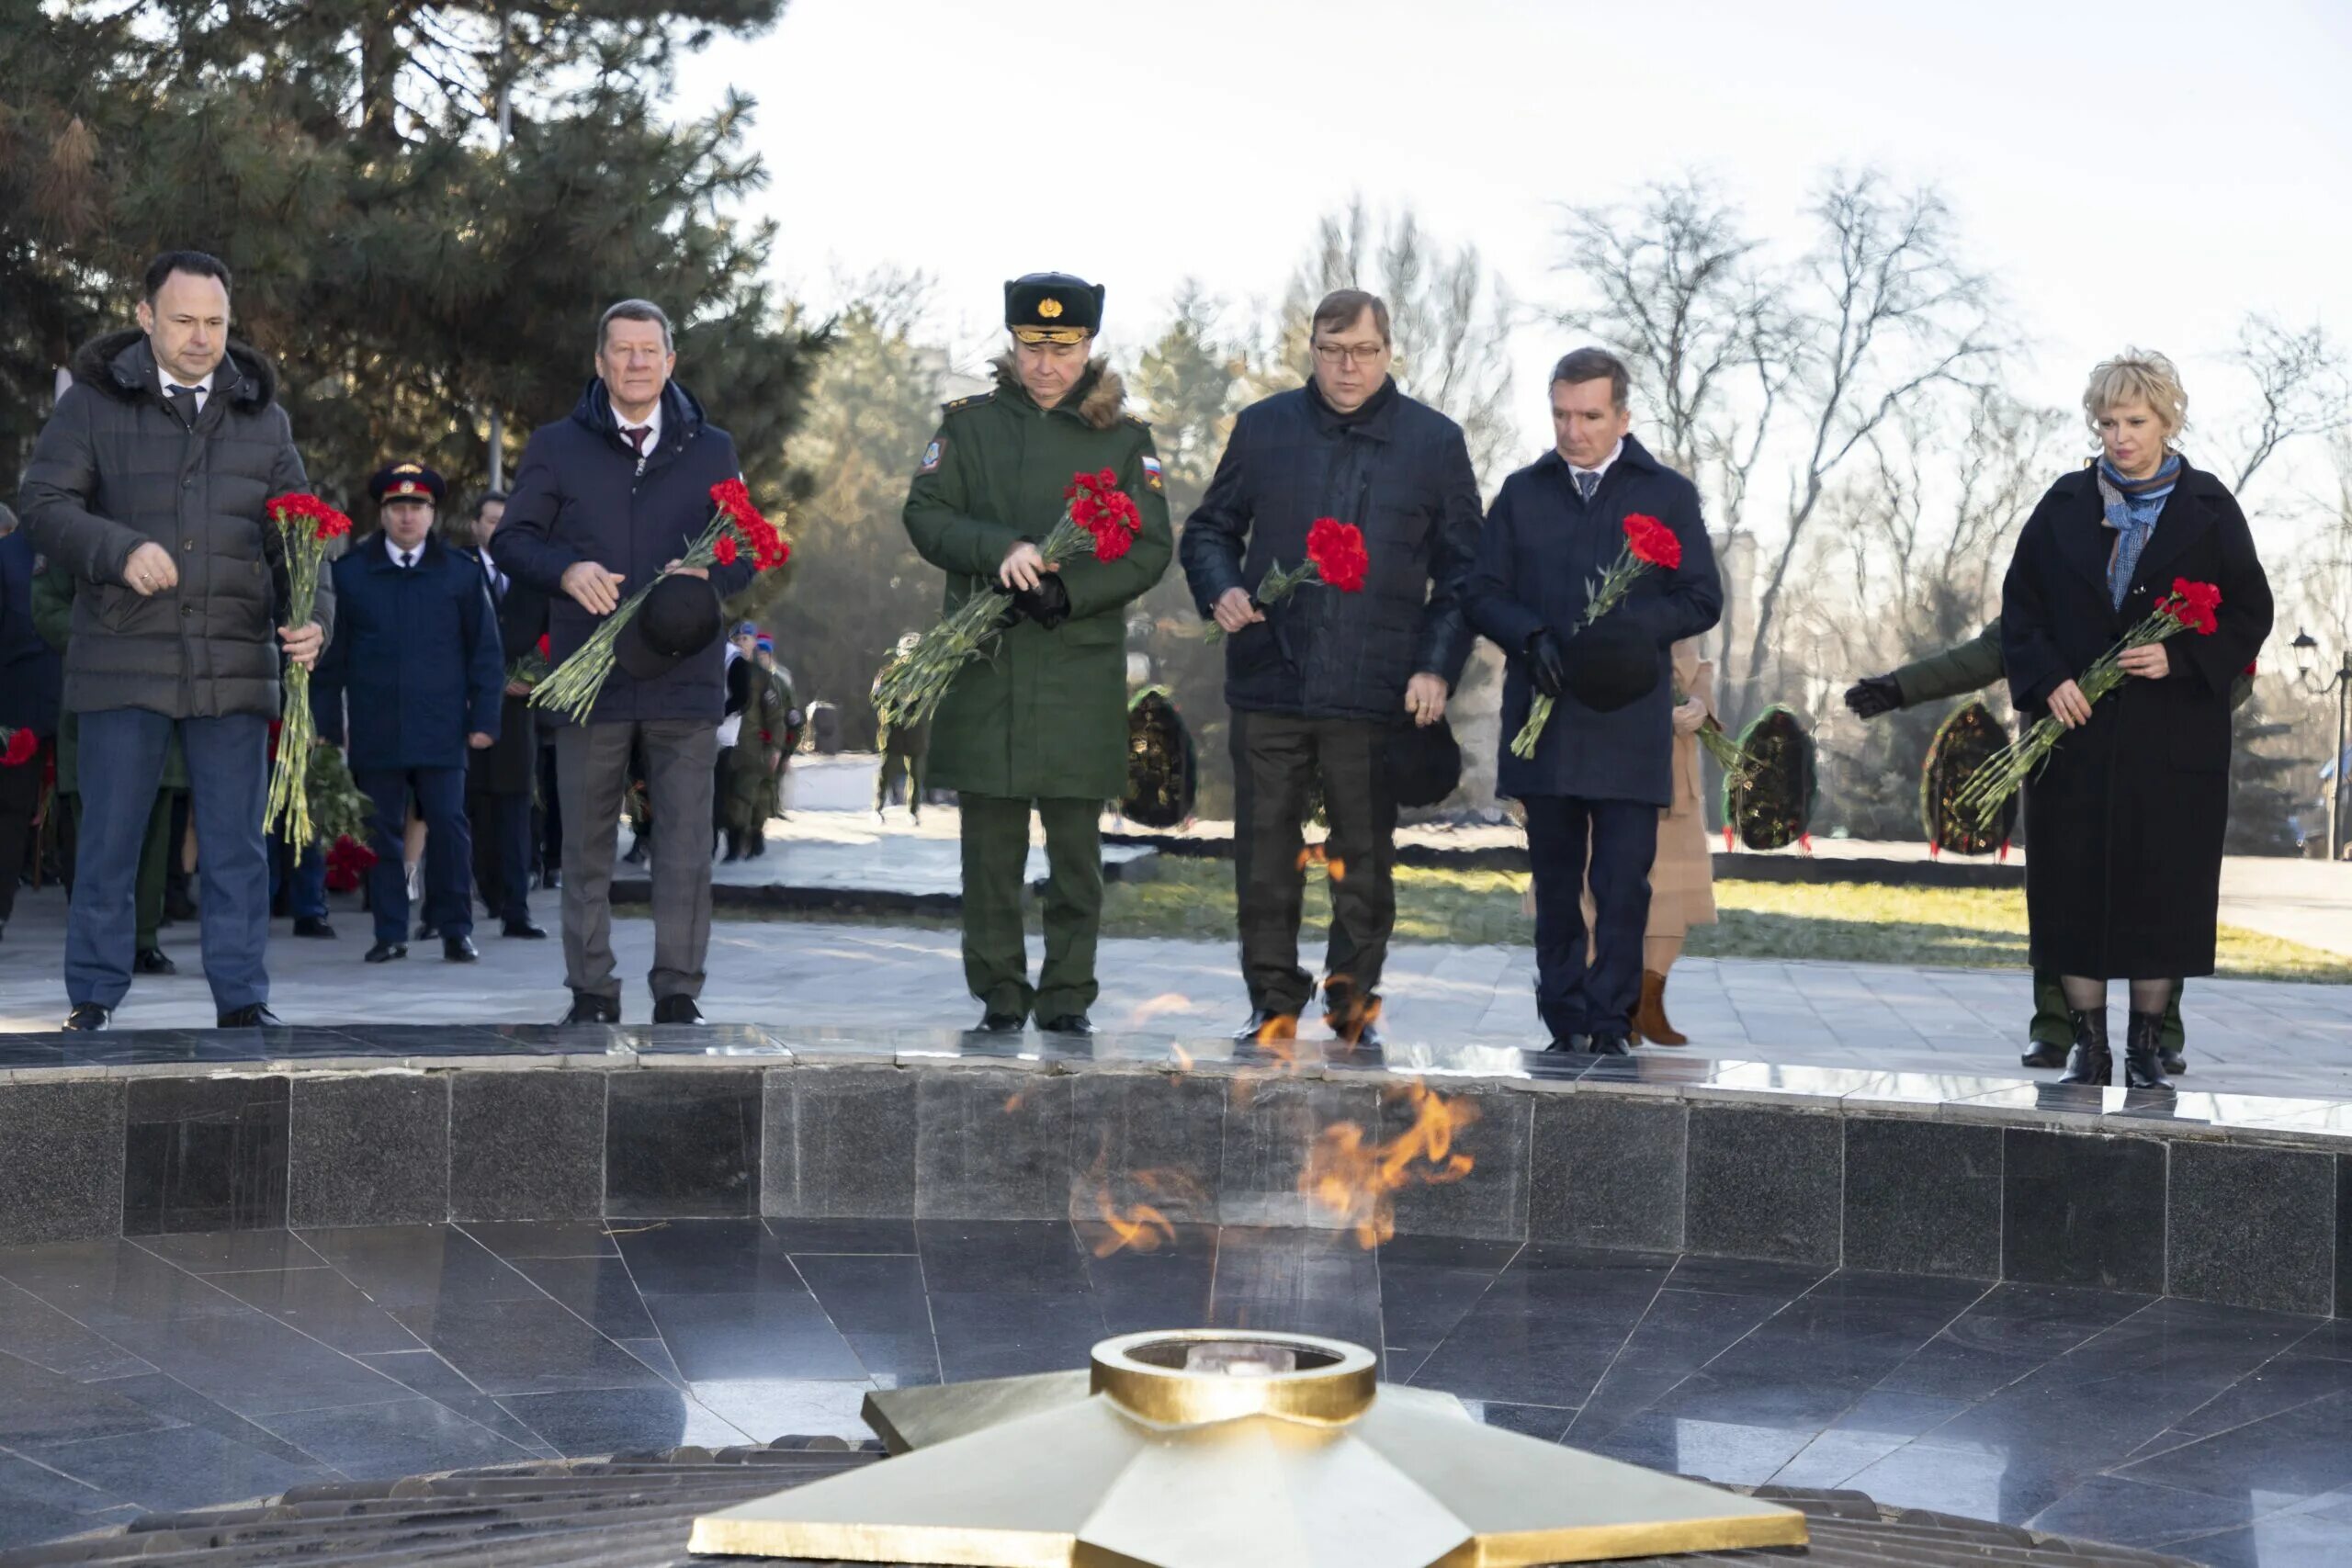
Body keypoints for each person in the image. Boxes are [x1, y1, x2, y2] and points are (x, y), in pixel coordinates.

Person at [18, 250, 329, 1031]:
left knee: (236, 851)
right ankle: (93, 995)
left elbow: (301, 532)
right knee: (111, 844)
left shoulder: (264, 417)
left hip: (232, 662)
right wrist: (116, 550)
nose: (201, 337)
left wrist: (314, 614)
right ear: (147, 316)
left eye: (216, 322)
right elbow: (44, 502)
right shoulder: (91, 407)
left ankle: (242, 999)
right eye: (184, 320)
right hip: (125, 659)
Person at [1179, 288, 1482, 1046]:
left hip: (1376, 689)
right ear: (1310, 347)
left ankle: (1352, 1010)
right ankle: (1272, 1005)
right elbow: (1210, 529)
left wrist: (1435, 666)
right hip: (1270, 676)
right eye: (1332, 349)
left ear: (1389, 352)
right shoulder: (1263, 428)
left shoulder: (1435, 442)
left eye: (1364, 351)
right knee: (1265, 858)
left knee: (1365, 863)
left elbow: (1466, 576)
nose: (1348, 366)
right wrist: (1221, 588)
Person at [901, 272, 1172, 1035]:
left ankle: (1065, 998)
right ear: (1013, 342)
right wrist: (1000, 551)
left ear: (1089, 346)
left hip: (1075, 667)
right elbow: (924, 513)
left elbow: (1152, 547)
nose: (1047, 364)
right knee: (989, 855)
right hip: (986, 664)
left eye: (1064, 348)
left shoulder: (1125, 439)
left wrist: (1072, 590)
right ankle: (998, 995)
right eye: (1032, 346)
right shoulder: (968, 425)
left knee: (1077, 858)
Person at [1999, 350, 2270, 1090]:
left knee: (2164, 889)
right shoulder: (2062, 505)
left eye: (2135, 421)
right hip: (2074, 739)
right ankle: (2090, 1044)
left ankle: (2148, 1044)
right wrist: (2049, 678)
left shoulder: (2211, 508)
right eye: (2109, 422)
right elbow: (2019, 612)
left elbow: (2251, 613)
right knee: (2072, 887)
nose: (2120, 436)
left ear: (2167, 419)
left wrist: (2179, 659)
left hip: (2173, 743)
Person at [493, 299, 754, 1025]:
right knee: (585, 843)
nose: (636, 363)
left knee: (684, 846)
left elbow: (746, 550)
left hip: (685, 672)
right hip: (590, 675)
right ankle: (591, 989)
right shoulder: (555, 445)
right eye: (622, 350)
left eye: (650, 351)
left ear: (671, 361)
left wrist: (710, 576)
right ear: (600, 361)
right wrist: (567, 569)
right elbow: (513, 540)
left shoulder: (712, 448)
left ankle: (678, 990)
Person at [1843, 618, 2252, 1077]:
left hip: (2154, 755)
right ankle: (2058, 1027)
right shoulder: (2048, 572)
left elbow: (2236, 662)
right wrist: (1901, 686)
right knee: (2066, 893)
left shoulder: (2171, 569)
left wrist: (2187, 700)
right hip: (2063, 755)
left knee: (2157, 891)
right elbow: (1990, 651)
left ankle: (2160, 1035)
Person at [1464, 348, 1723, 1055]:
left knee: (1620, 883)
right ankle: (1564, 1017)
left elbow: (1703, 595)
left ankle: (1611, 1022)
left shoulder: (1665, 493)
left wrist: (1634, 629)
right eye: (1560, 414)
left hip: (1626, 722)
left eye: (1589, 415)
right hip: (1544, 723)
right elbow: (1482, 590)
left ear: (1622, 416)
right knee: (1554, 885)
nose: (1573, 430)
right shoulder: (1521, 493)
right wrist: (1529, 633)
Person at [311, 463, 504, 963]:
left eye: (417, 507)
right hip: (378, 726)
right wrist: (328, 728)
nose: (407, 516)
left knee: (449, 826)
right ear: (382, 513)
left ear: (432, 513)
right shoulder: (351, 573)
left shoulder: (459, 573)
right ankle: (390, 933)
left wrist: (485, 720)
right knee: (382, 832)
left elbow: (485, 651)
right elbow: (332, 662)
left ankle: (455, 927)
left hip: (442, 727)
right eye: (397, 507)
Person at [28, 557, 187, 967]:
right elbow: (47, 609)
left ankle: (143, 939)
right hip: (95, 700)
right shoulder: (78, 528)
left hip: (159, 698)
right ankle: (101, 946)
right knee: (97, 834)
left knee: (153, 834)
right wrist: (109, 641)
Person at [1612, 642, 1718, 1044]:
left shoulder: (1678, 605)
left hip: (1676, 784)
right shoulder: (1611, 597)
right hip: (1619, 774)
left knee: (1674, 898)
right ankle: (1613, 1005)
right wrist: (1656, 716)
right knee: (1602, 893)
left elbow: (1697, 667)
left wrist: (1699, 705)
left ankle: (1648, 1003)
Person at [454, 488, 548, 938]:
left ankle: (516, 909)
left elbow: (556, 637)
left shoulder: (535, 575)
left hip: (515, 713)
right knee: (467, 806)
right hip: (466, 710)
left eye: (507, 522)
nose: (499, 529)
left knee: (514, 808)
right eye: (491, 521)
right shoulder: (456, 570)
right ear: (475, 525)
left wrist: (536, 679)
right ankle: (463, 903)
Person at [0, 506, 62, 944]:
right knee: (10, 813)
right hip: (18, 704)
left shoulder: (86, 548)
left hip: (82, 699)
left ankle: (112, 930)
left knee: (89, 813)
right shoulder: (6, 557)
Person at [872, 633, 928, 823]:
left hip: (913, 730)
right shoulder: (888, 673)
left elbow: (930, 698)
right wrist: (888, 697)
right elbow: (875, 697)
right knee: (886, 770)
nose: (911, 656)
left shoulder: (924, 675)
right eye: (908, 652)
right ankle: (877, 808)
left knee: (915, 773)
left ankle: (913, 811)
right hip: (893, 729)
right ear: (900, 653)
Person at [716, 621, 756, 861]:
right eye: (738, 638)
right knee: (717, 798)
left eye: (746, 638)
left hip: (738, 743)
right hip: (717, 739)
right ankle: (714, 844)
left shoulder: (740, 664)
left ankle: (738, 845)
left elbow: (746, 700)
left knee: (737, 799)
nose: (742, 643)